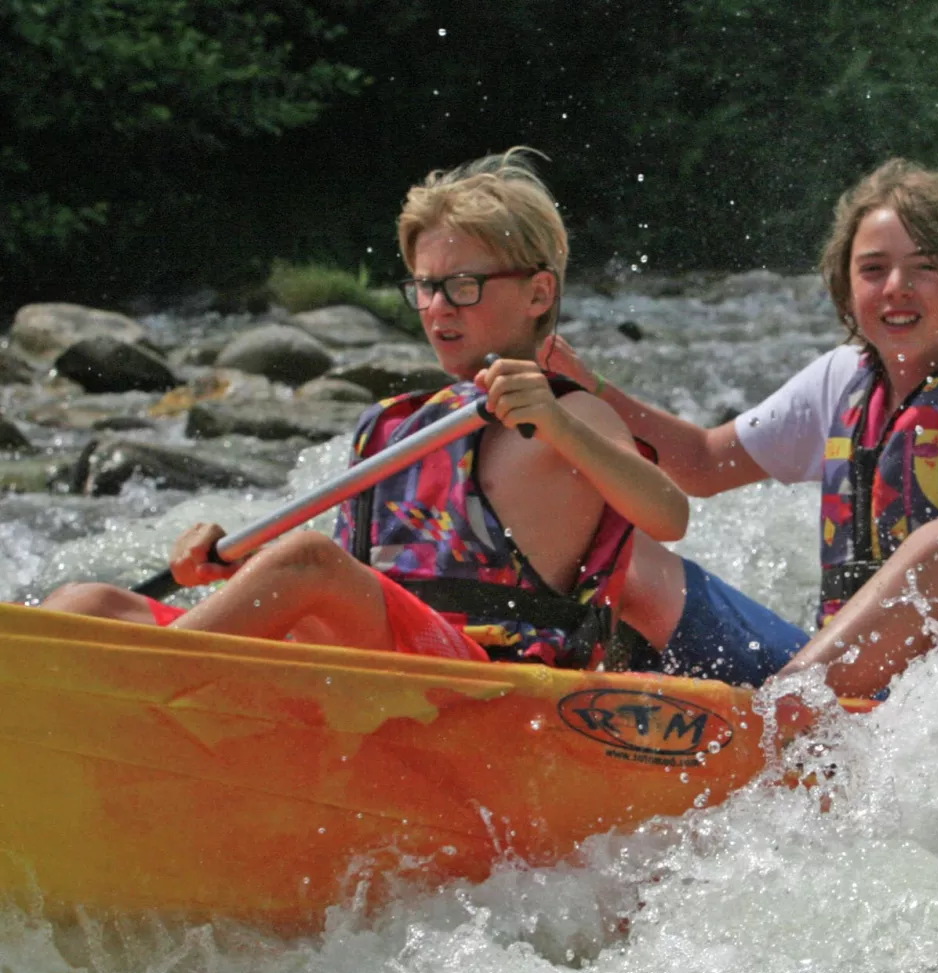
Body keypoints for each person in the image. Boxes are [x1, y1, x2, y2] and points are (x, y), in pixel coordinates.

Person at [39, 148, 808, 685]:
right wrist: (228, 568)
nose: (437, 308)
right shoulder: (394, 424)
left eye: (464, 286)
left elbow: (668, 513)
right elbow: (363, 574)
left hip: (484, 679)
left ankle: (139, 694)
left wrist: (564, 427)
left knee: (304, 562)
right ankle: (95, 689)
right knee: (86, 603)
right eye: (426, 286)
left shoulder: (571, 416)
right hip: (384, 659)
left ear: (538, 294)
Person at [541, 158, 938, 698]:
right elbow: (703, 465)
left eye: (924, 267)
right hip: (833, 683)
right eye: (873, 270)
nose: (897, 288)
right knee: (630, 560)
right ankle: (588, 708)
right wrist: (590, 388)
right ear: (847, 290)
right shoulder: (840, 378)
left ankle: (777, 718)